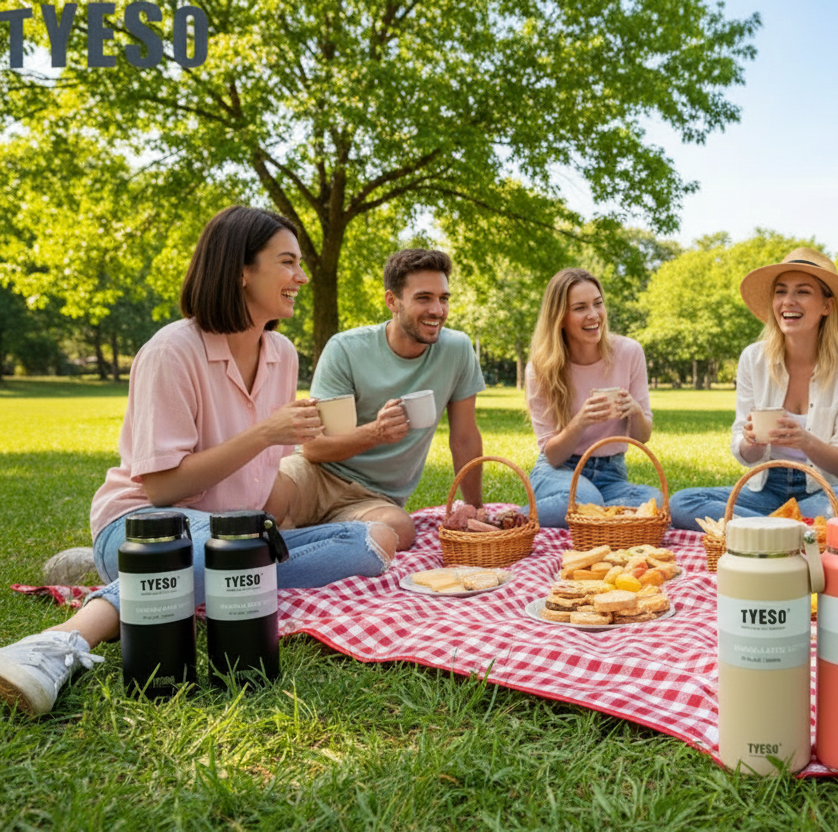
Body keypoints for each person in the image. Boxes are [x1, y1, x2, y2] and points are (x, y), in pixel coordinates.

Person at [0, 206, 395, 716]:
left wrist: (286, 519)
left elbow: (265, 478)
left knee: (369, 542)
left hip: (234, 535)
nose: (301, 277)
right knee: (230, 554)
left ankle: (149, 583)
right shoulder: (171, 351)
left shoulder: (282, 353)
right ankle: (61, 641)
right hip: (148, 528)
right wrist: (265, 434)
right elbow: (163, 488)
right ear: (241, 271)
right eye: (287, 262)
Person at [267, 249, 486, 551]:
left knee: (398, 531)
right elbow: (314, 449)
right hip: (315, 476)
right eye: (424, 298)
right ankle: (304, 539)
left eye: (443, 298)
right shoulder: (346, 349)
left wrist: (476, 510)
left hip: (376, 499)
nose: (437, 310)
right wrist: (377, 433)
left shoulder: (457, 350)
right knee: (265, 501)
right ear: (392, 301)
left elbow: (464, 438)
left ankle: (285, 540)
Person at [670, 247, 838, 528]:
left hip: (825, 488)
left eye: (802, 292)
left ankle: (755, 529)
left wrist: (805, 441)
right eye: (780, 291)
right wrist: (751, 441)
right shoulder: (753, 358)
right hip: (765, 489)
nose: (788, 301)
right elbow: (744, 454)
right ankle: (792, 528)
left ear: (827, 306)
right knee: (682, 502)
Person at [525, 267, 662, 528]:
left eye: (598, 303)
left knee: (654, 501)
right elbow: (553, 456)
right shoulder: (541, 368)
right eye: (580, 308)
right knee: (587, 500)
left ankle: (586, 515)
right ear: (560, 318)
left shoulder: (629, 352)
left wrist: (635, 411)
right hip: (559, 470)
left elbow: (642, 437)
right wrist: (581, 421)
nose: (593, 314)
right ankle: (511, 520)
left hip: (611, 474)